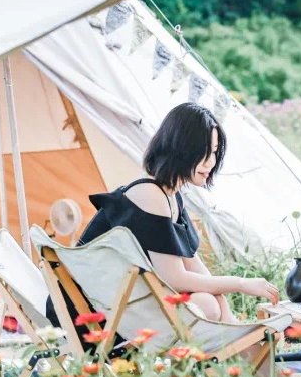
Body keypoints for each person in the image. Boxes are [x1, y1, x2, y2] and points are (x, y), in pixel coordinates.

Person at [45, 102, 279, 348]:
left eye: (215, 152)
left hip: (121, 305)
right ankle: (243, 361)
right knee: (205, 305)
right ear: (181, 149)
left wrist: (227, 315)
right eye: (205, 153)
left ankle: (243, 359)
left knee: (209, 302)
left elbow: (197, 270)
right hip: (85, 314)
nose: (211, 162)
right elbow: (175, 278)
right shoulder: (150, 195)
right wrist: (241, 284)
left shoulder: (171, 196)